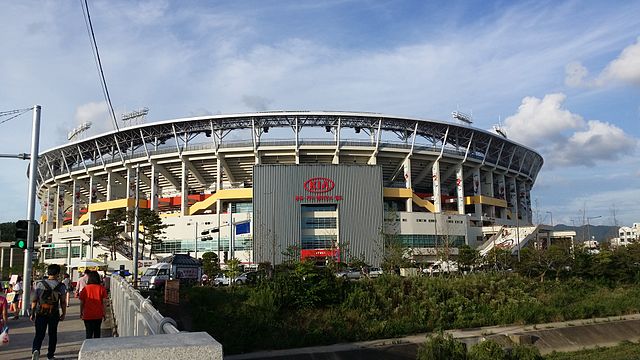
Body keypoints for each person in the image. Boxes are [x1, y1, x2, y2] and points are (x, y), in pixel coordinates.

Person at [30, 264, 67, 360]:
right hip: (54, 313)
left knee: (39, 333)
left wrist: (32, 312)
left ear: (48, 272)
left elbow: (34, 300)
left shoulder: (40, 284)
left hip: (41, 312)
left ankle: (36, 350)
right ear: (58, 273)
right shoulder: (61, 286)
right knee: (52, 334)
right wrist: (63, 313)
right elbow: (63, 301)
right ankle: (50, 355)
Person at [79, 271, 108, 339]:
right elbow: (104, 302)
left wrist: (81, 312)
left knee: (88, 333)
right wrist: (104, 313)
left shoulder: (85, 289)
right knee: (97, 333)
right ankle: (96, 348)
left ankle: (88, 348)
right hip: (98, 314)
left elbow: (82, 302)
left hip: (87, 314)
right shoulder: (101, 288)